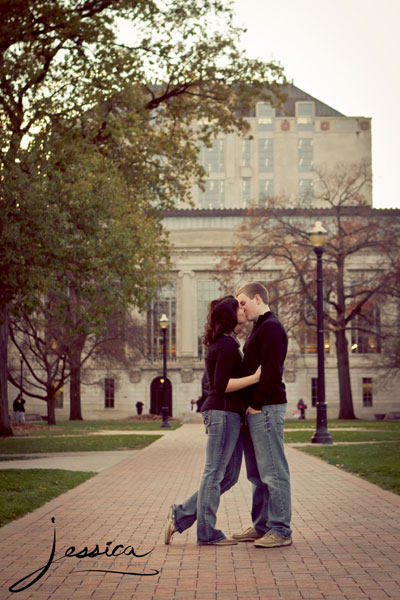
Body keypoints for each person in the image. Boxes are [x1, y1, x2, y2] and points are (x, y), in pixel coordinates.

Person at [164, 295, 261, 546]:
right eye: (237, 306)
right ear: (229, 315)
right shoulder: (226, 345)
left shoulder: (228, 341)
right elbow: (220, 385)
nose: (242, 308)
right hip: (222, 412)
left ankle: (182, 514)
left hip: (231, 414)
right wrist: (255, 377)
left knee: (228, 477)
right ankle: (206, 534)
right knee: (214, 474)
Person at [233, 282, 292, 548]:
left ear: (258, 298)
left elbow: (271, 372)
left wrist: (256, 404)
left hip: (265, 409)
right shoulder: (260, 328)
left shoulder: (272, 328)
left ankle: (280, 530)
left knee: (273, 472)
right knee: (257, 474)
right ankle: (262, 526)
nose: (240, 308)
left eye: (243, 302)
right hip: (255, 411)